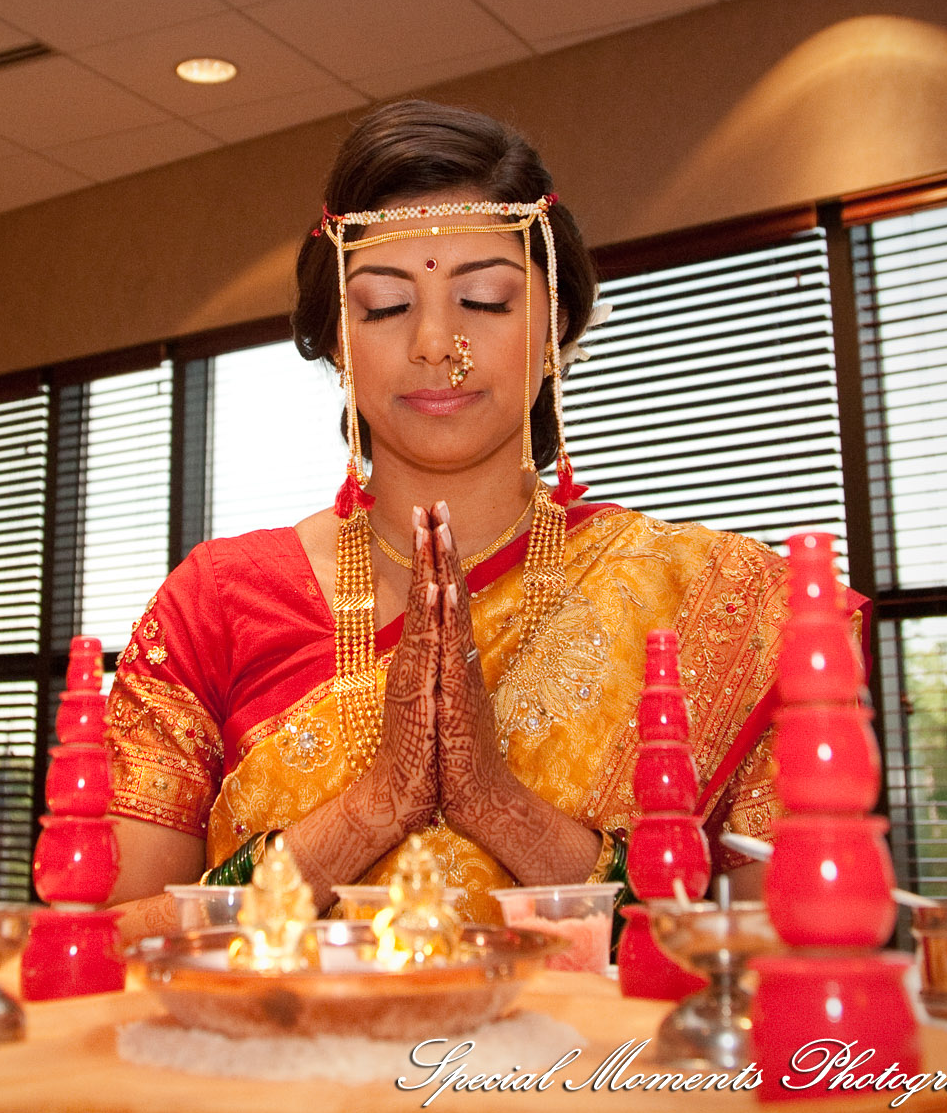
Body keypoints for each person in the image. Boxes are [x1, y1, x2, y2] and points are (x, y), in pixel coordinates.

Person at [103, 100, 862, 939]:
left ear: (556, 326)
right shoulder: (215, 604)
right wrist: (370, 809)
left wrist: (499, 806)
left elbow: (785, 962)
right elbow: (98, 943)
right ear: (336, 341)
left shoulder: (727, 609)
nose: (435, 343)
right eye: (386, 307)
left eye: (487, 301)